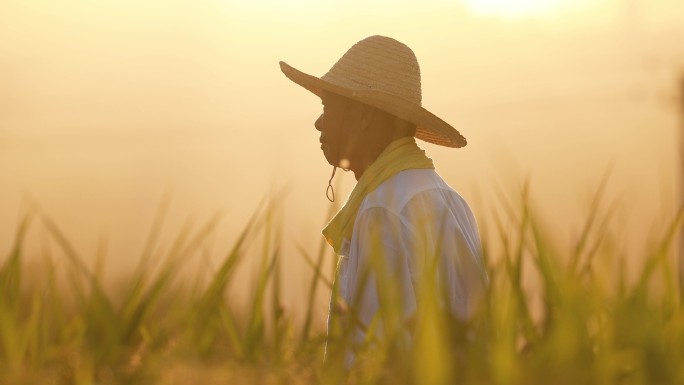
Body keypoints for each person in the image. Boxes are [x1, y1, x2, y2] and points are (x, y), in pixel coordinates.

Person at [279, 35, 488, 365]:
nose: (320, 122)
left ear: (363, 116)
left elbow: (374, 360)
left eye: (327, 107)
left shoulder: (380, 210)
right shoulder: (449, 198)